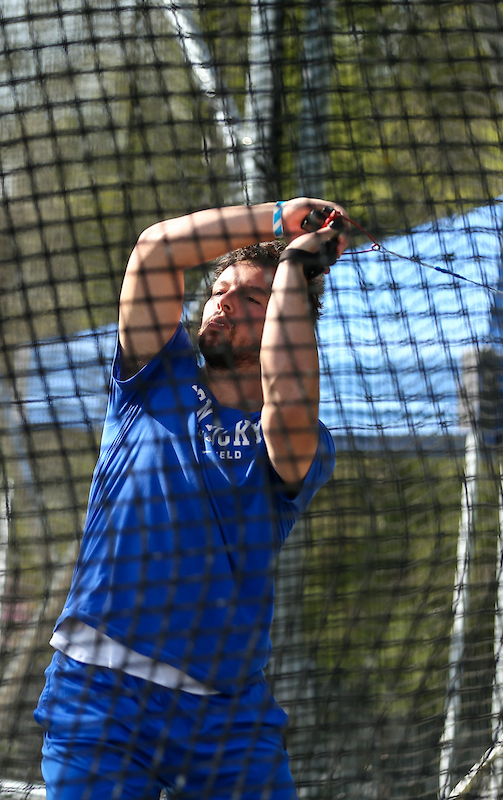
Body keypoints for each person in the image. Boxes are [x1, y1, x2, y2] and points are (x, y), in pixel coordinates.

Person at [34, 198, 349, 800]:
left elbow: (286, 394)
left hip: (226, 717)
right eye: (218, 291)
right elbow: (156, 249)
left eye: (250, 298)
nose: (223, 302)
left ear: (288, 318)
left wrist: (293, 269)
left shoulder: (301, 439)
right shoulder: (156, 373)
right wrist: (279, 218)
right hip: (99, 691)